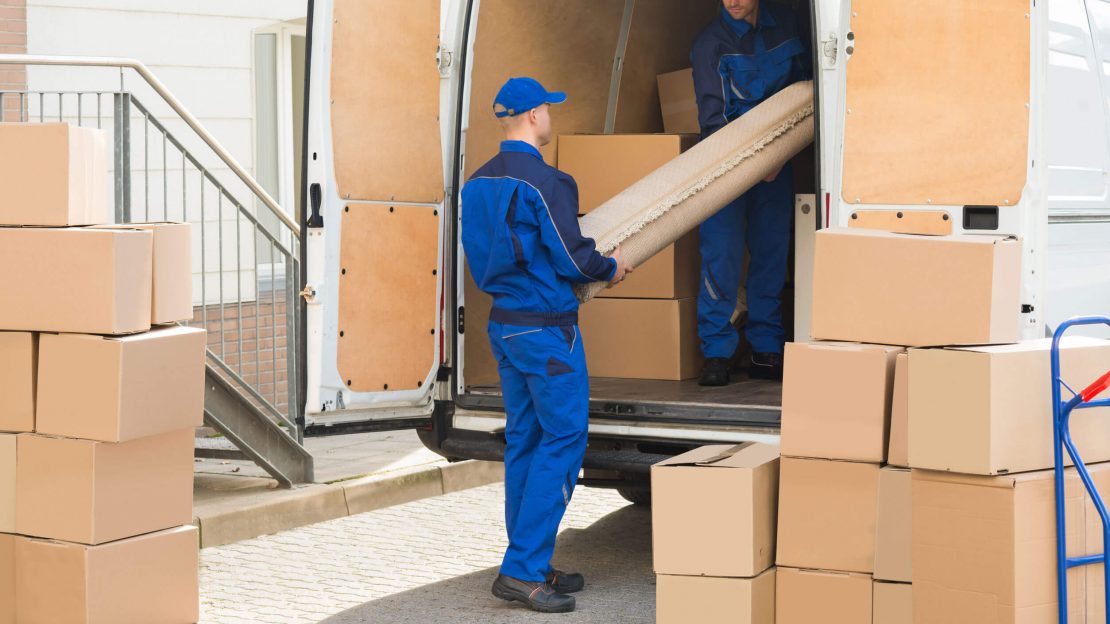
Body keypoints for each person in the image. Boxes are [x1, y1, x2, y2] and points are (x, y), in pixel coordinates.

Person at [460, 76, 633, 614]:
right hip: (547, 330)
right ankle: (522, 570)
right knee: (564, 439)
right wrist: (611, 267)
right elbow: (572, 257)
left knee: (526, 442)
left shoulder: (476, 183)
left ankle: (530, 560)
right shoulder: (548, 182)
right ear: (534, 115)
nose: (551, 117)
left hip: (505, 326)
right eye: (549, 108)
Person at [691, 0, 810, 385]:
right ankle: (717, 353)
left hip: (778, 163)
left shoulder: (788, 25)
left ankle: (766, 349)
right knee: (720, 255)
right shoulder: (710, 44)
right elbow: (714, 123)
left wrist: (779, 153)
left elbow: (810, 94)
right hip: (727, 165)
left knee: (771, 253)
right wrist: (758, 161)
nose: (733, 1)